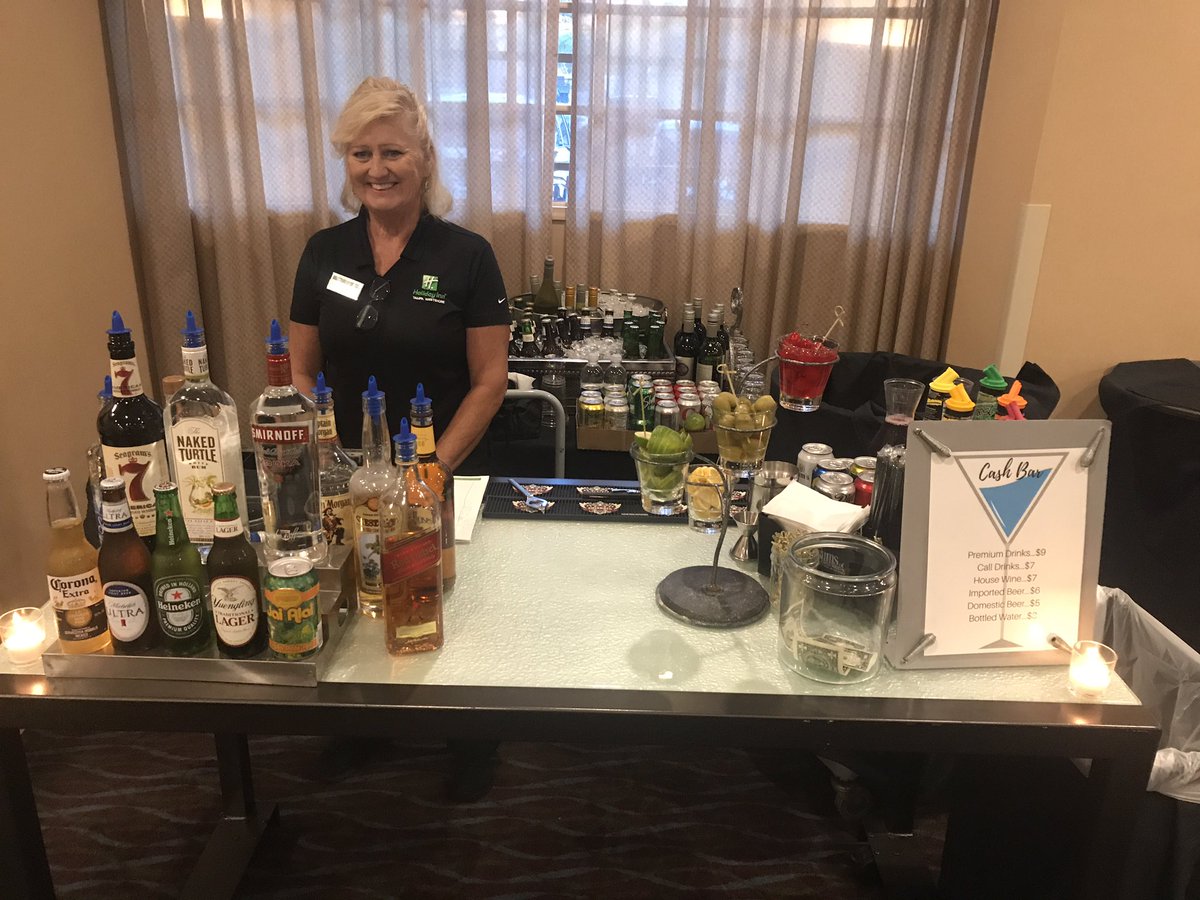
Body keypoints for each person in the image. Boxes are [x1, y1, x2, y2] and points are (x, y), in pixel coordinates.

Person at [289, 76, 510, 472]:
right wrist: (331, 455)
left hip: (444, 470)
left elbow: (490, 384)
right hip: (347, 472)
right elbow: (302, 371)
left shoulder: (470, 256)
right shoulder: (322, 251)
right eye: (361, 154)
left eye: (392, 152)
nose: (376, 170)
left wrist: (432, 473)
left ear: (426, 159)